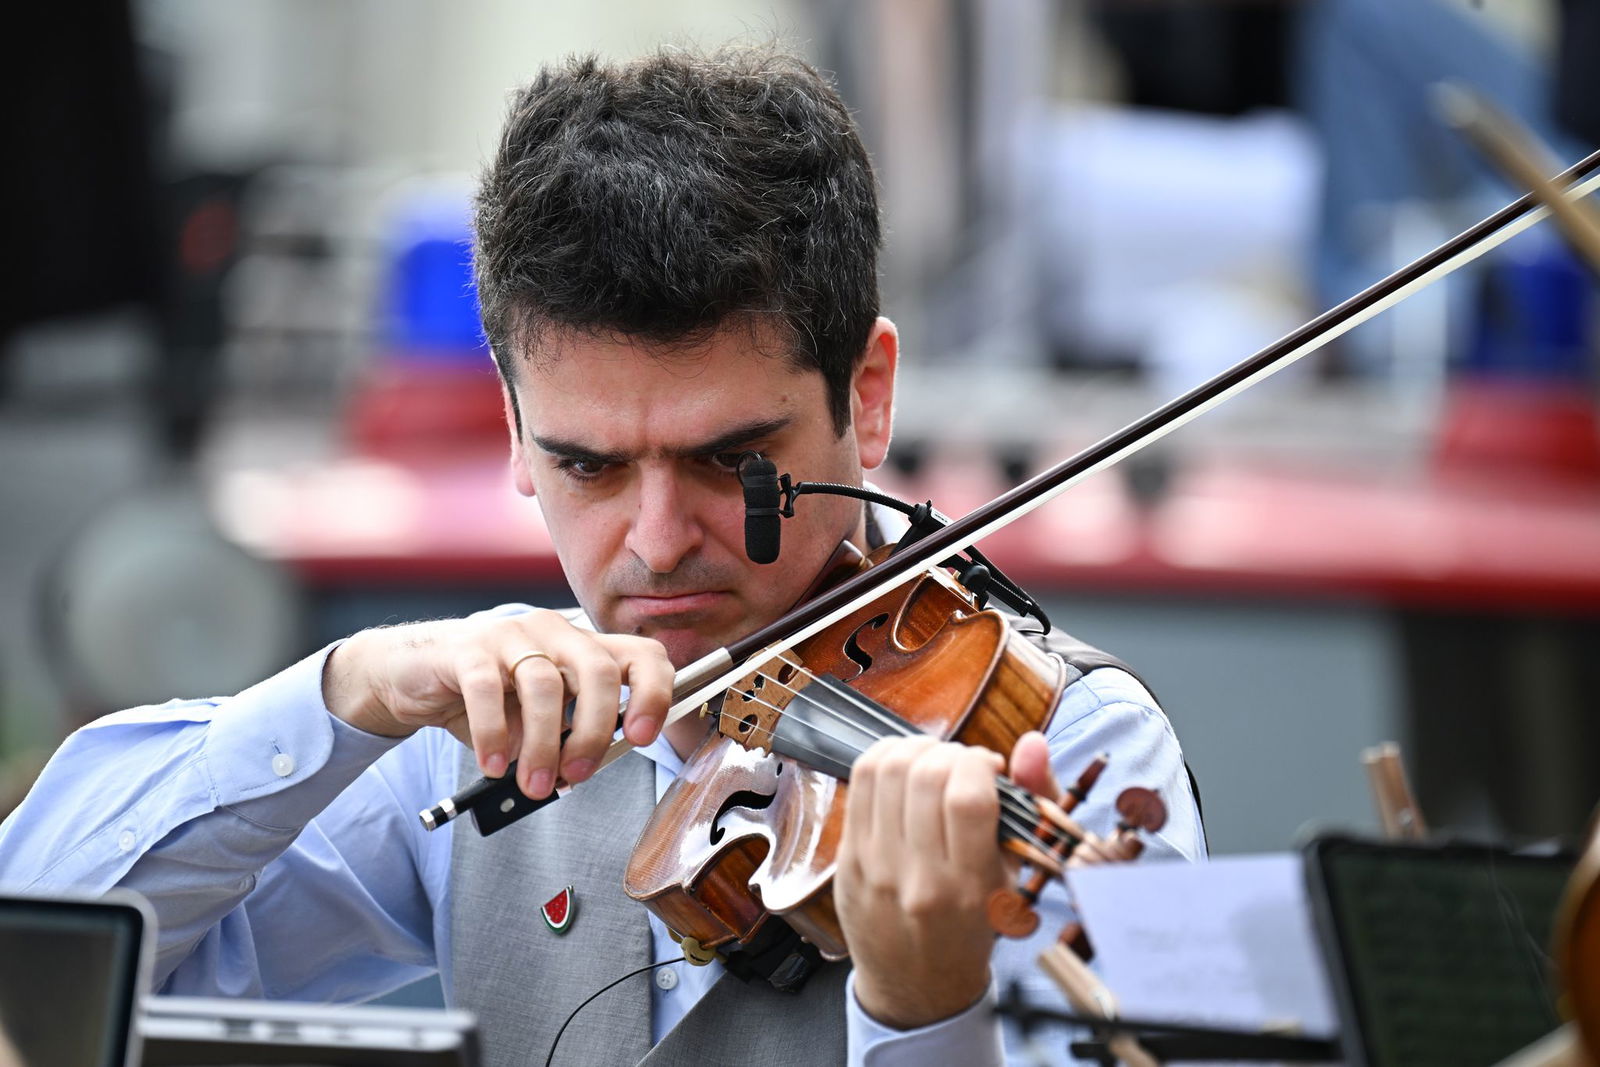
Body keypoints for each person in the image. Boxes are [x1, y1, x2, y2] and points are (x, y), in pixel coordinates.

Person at [0, 45, 1204, 1065]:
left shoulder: (1074, 747)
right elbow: (34, 947)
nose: (658, 540)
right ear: (517, 428)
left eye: (734, 458)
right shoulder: (489, 725)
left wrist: (924, 1010)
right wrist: (347, 692)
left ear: (868, 397)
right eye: (589, 466)